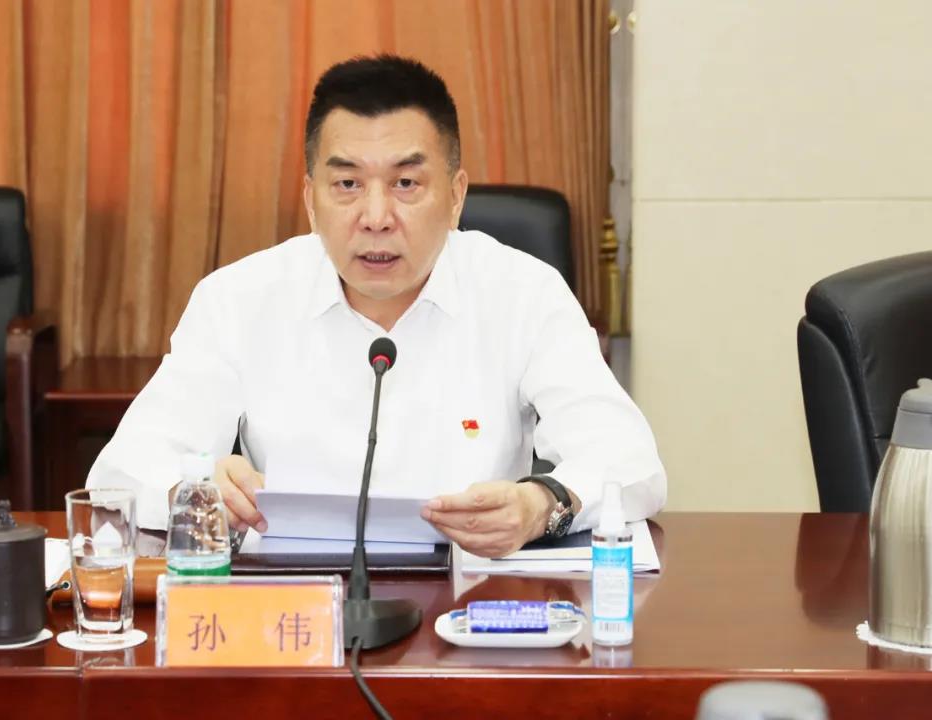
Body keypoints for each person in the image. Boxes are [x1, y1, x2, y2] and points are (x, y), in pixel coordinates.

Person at [87, 54, 665, 558]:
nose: (376, 216)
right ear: (310, 199)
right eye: (347, 185)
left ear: (456, 196)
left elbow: (629, 462)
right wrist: (195, 491)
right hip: (293, 611)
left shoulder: (524, 293)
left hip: (469, 604)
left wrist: (542, 505)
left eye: (406, 184)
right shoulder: (238, 298)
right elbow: (122, 474)